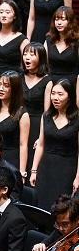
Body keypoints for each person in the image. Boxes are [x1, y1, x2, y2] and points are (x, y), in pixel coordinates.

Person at [31, 78, 79, 211]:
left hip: (67, 169)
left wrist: (77, 177)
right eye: (53, 93)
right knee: (42, 206)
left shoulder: (77, 119)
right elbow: (41, 144)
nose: (55, 98)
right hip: (46, 168)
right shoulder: (46, 116)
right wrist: (34, 170)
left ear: (69, 97)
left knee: (62, 208)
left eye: (60, 94)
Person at [0, 71, 29, 178]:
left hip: (10, 159)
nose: (1, 88)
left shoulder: (22, 113)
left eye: (6, 86)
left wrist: (22, 172)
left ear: (14, 89)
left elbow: (23, 145)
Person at [22, 42, 52, 174]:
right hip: (19, 122)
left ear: (41, 58)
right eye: (25, 54)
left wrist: (41, 137)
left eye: (32, 54)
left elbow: (47, 113)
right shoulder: (19, 77)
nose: (27, 57)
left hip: (36, 125)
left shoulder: (47, 81)